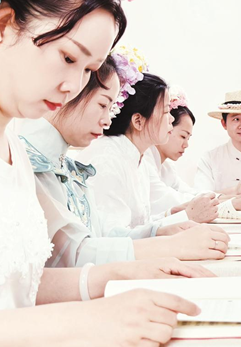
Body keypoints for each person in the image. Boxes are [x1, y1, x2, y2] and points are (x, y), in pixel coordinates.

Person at [0, 0, 202, 343]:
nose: (73, 86)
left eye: (89, 70)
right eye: (67, 58)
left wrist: (119, 276)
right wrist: (89, 318)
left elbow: (17, 287)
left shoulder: (10, 142)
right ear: (2, 26)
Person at [21, 58, 229, 266]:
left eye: (110, 108)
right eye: (102, 105)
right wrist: (171, 243)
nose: (107, 120)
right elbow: (77, 254)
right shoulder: (95, 159)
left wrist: (164, 229)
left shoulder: (70, 165)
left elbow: (103, 235)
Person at [77, 62, 226, 261]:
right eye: (165, 112)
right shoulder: (108, 159)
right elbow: (112, 238)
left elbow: (139, 225)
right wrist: (182, 217)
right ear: (138, 121)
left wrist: (171, 214)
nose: (171, 120)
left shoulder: (138, 158)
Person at [144, 86, 241, 214]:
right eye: (183, 136)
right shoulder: (145, 162)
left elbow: (192, 194)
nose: (186, 145)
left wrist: (235, 198)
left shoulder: (167, 167)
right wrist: (233, 202)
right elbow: (175, 200)